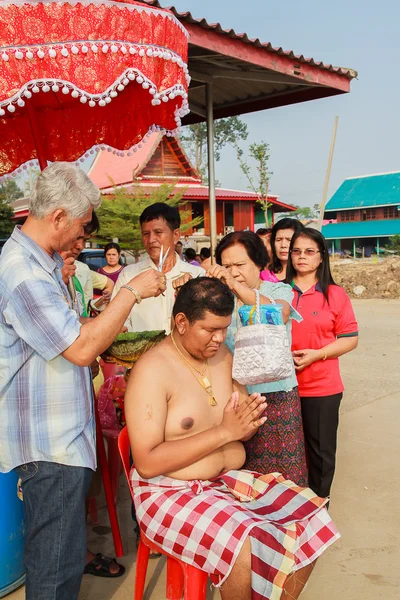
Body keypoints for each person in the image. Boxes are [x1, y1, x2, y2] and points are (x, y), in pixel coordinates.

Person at [0, 162, 166, 600]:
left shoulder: (45, 264)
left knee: (64, 560)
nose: (82, 237)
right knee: (55, 570)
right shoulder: (24, 272)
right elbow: (78, 348)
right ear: (57, 217)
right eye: (80, 226)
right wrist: (130, 293)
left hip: (62, 440)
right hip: (50, 444)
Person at [125, 277, 340, 600]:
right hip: (166, 492)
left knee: (312, 517)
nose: (219, 338)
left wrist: (246, 423)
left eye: (224, 328)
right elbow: (147, 462)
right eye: (210, 329)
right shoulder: (152, 370)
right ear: (181, 322)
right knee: (242, 542)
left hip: (223, 482)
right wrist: (225, 432)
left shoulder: (223, 356)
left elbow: (240, 425)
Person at [210, 231, 308, 486]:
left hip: (277, 398)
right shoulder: (220, 300)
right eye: (227, 266)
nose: (233, 272)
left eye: (240, 265)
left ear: (259, 263)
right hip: (234, 399)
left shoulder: (278, 289)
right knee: (244, 480)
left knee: (285, 480)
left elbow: (278, 313)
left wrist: (235, 285)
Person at [286, 227, 359, 499]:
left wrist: (317, 354)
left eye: (309, 252)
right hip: (283, 386)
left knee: (320, 454)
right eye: (296, 251)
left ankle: (318, 509)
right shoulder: (278, 291)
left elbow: (350, 338)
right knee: (288, 453)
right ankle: (288, 509)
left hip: (321, 389)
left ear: (321, 257)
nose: (301, 257)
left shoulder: (334, 294)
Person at [113, 203, 205, 334]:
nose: (151, 240)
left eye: (158, 232)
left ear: (176, 235)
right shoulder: (128, 275)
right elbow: (118, 320)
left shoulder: (197, 275)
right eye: (146, 233)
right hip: (142, 354)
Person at [261, 218, 304, 282]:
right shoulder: (263, 277)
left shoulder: (308, 276)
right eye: (278, 240)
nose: (283, 245)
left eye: (289, 240)